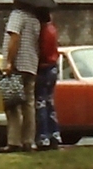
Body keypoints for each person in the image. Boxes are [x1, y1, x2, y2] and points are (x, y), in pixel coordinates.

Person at [2, 4, 40, 151]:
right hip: (31, 65)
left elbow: (14, 37)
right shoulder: (34, 19)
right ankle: (28, 141)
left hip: (17, 65)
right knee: (28, 105)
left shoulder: (17, 15)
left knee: (12, 105)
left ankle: (13, 142)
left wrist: (9, 62)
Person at [33, 9, 61, 150]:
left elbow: (41, 51)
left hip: (43, 68)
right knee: (50, 103)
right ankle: (55, 134)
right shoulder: (52, 29)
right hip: (53, 67)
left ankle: (43, 137)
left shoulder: (41, 31)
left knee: (41, 104)